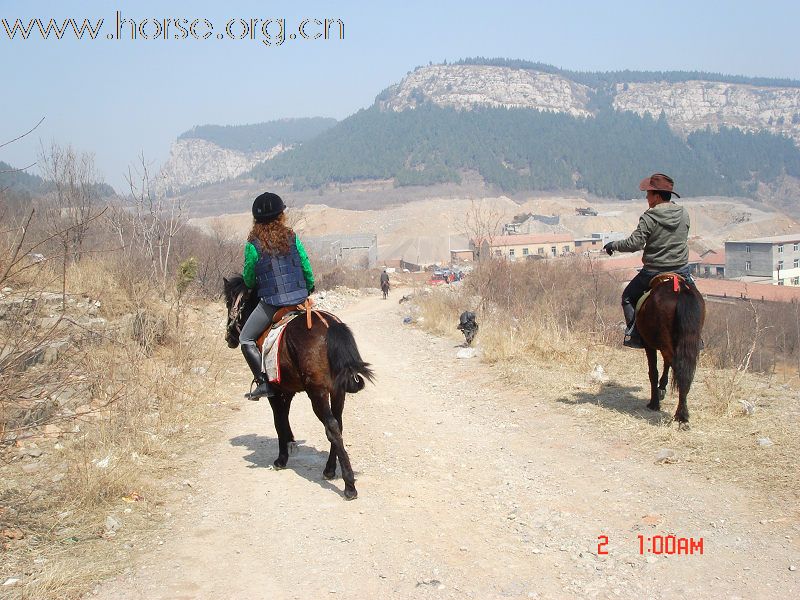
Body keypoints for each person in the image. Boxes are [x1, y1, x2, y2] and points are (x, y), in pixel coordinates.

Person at [603, 173, 692, 349]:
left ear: (657, 196)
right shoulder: (684, 213)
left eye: (648, 193)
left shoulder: (649, 217)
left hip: (654, 270)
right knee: (695, 301)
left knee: (627, 297)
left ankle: (635, 334)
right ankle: (696, 336)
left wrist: (613, 245)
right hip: (681, 270)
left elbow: (634, 243)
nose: (646, 197)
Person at [240, 192, 314, 399]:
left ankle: (263, 383)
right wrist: (309, 287)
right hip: (299, 299)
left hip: (272, 304)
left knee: (245, 338)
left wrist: (253, 285)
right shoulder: (292, 237)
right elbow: (305, 265)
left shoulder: (253, 244)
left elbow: (248, 277)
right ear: (281, 215)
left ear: (256, 219)